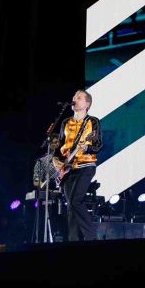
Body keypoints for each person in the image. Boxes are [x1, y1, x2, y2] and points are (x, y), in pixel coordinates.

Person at [55, 90, 103, 241]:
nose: (74, 99)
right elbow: (59, 146)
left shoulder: (92, 122)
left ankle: (91, 237)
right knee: (71, 206)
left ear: (87, 104)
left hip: (86, 166)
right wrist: (56, 159)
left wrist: (86, 147)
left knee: (76, 201)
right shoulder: (65, 123)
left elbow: (98, 144)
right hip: (68, 169)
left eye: (79, 97)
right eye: (74, 96)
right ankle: (73, 240)